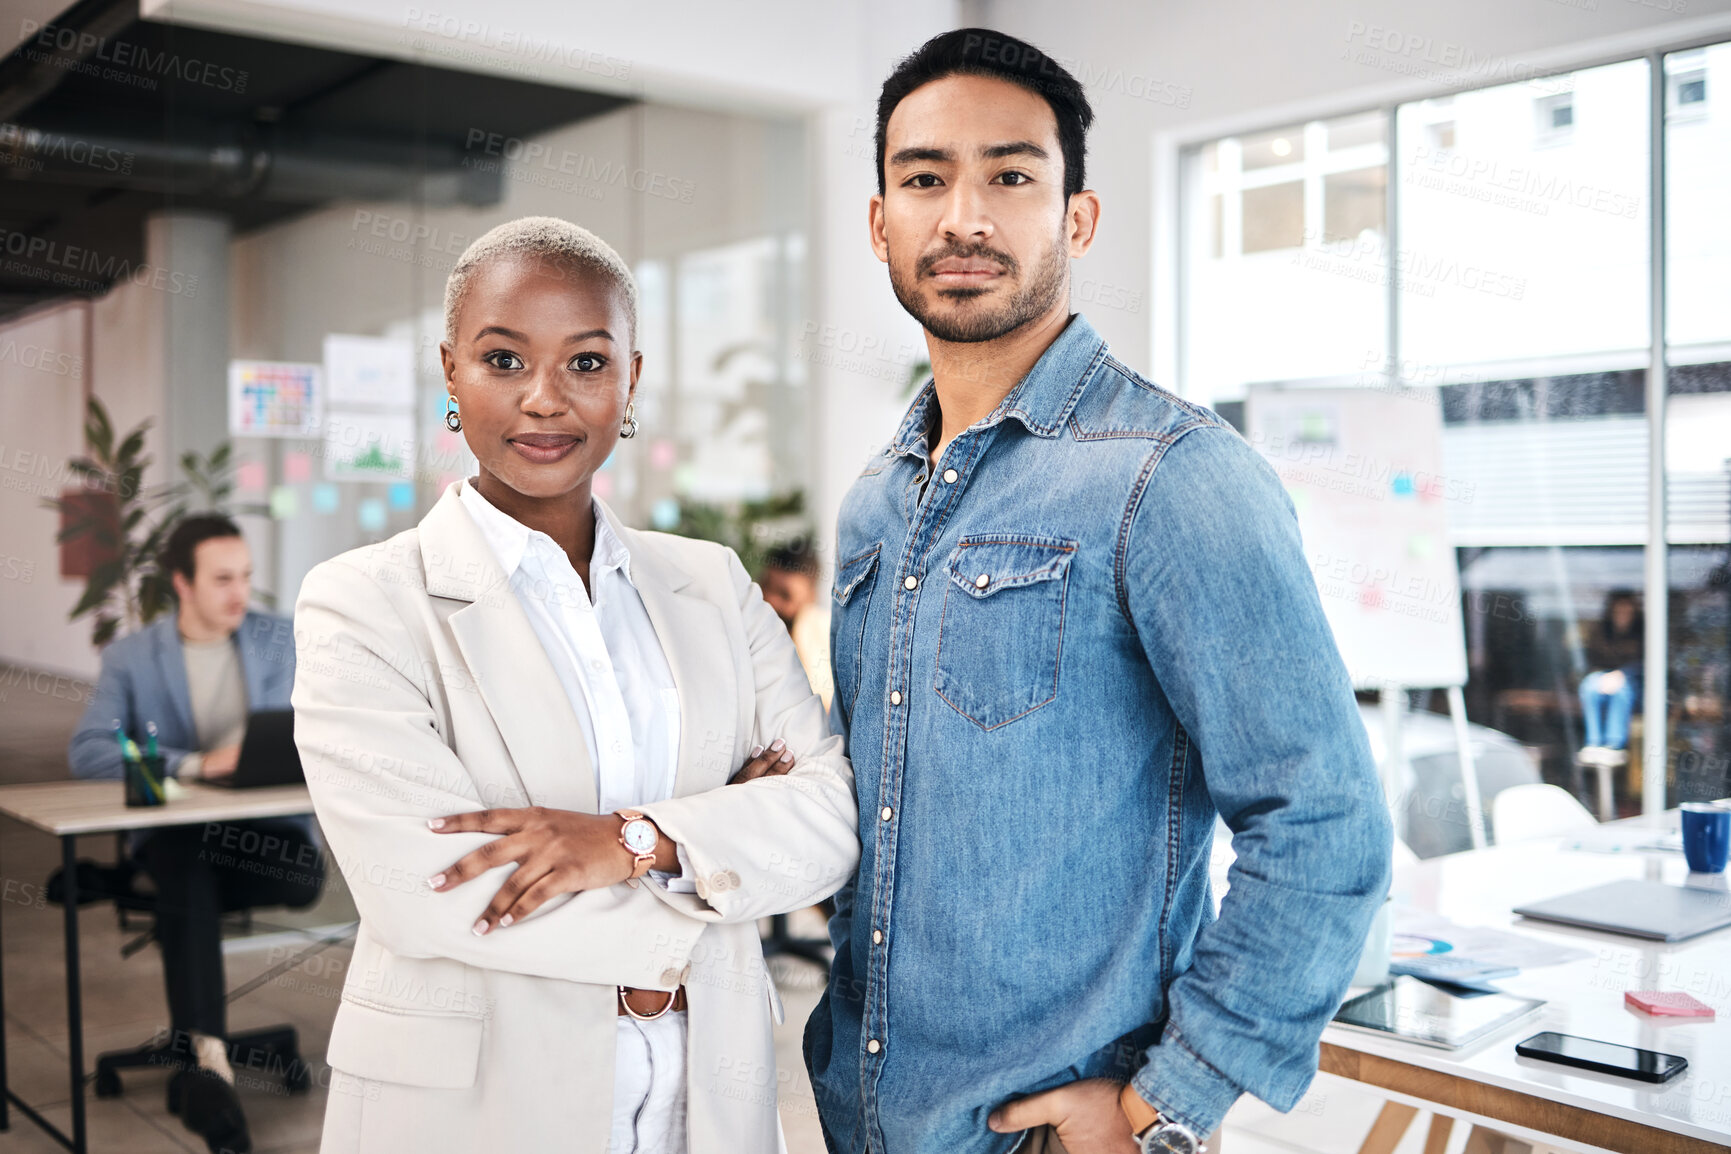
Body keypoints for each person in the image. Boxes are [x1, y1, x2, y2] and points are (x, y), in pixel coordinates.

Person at [803, 29, 1393, 1154]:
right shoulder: (877, 503)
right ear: (880, 222)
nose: (964, 216)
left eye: (1011, 175)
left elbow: (1324, 822)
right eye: (925, 178)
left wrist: (1163, 1103)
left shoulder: (1170, 474)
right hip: (868, 1118)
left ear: (1077, 218)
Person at [291, 215, 859, 1154]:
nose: (544, 400)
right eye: (503, 360)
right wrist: (716, 850)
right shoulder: (364, 604)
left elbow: (831, 821)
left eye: (586, 363)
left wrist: (633, 839)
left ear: (631, 378)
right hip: (475, 1109)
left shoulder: (710, 583)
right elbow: (425, 885)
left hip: (704, 1102)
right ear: (450, 373)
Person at [68, 514, 322, 1154]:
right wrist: (194, 765)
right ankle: (207, 1069)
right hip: (183, 836)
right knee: (185, 860)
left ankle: (124, 880)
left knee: (191, 875)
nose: (240, 594)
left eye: (245, 577)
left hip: (269, 841)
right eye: (222, 579)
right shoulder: (132, 656)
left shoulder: (281, 639)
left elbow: (329, 725)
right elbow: (89, 750)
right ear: (181, 583)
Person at [761, 537, 834, 710]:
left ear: (811, 597)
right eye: (765, 585)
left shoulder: (822, 633)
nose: (770, 600)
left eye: (785, 595)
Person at [1579, 589, 1644, 769]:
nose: (1622, 615)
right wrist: (1604, 676)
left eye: (1627, 611)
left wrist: (1623, 673)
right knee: (1589, 685)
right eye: (1618, 611)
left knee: (1622, 690)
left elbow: (1649, 663)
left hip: (1634, 682)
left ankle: (1614, 745)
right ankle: (1593, 743)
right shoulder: (1600, 632)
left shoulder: (1644, 633)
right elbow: (1591, 659)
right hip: (1603, 676)